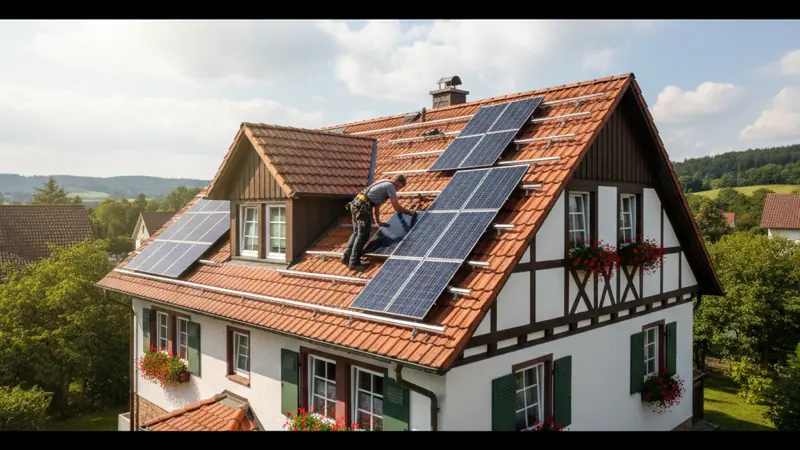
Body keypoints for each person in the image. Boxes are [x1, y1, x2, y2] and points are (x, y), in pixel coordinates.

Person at [343, 175, 416, 272]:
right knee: (363, 235)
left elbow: (377, 206)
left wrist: (378, 221)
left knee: (356, 232)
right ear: (398, 183)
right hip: (362, 208)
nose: (397, 191)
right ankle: (354, 263)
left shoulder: (383, 182)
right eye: (399, 188)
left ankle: (346, 257)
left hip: (356, 205)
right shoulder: (391, 186)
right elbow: (397, 207)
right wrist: (410, 213)